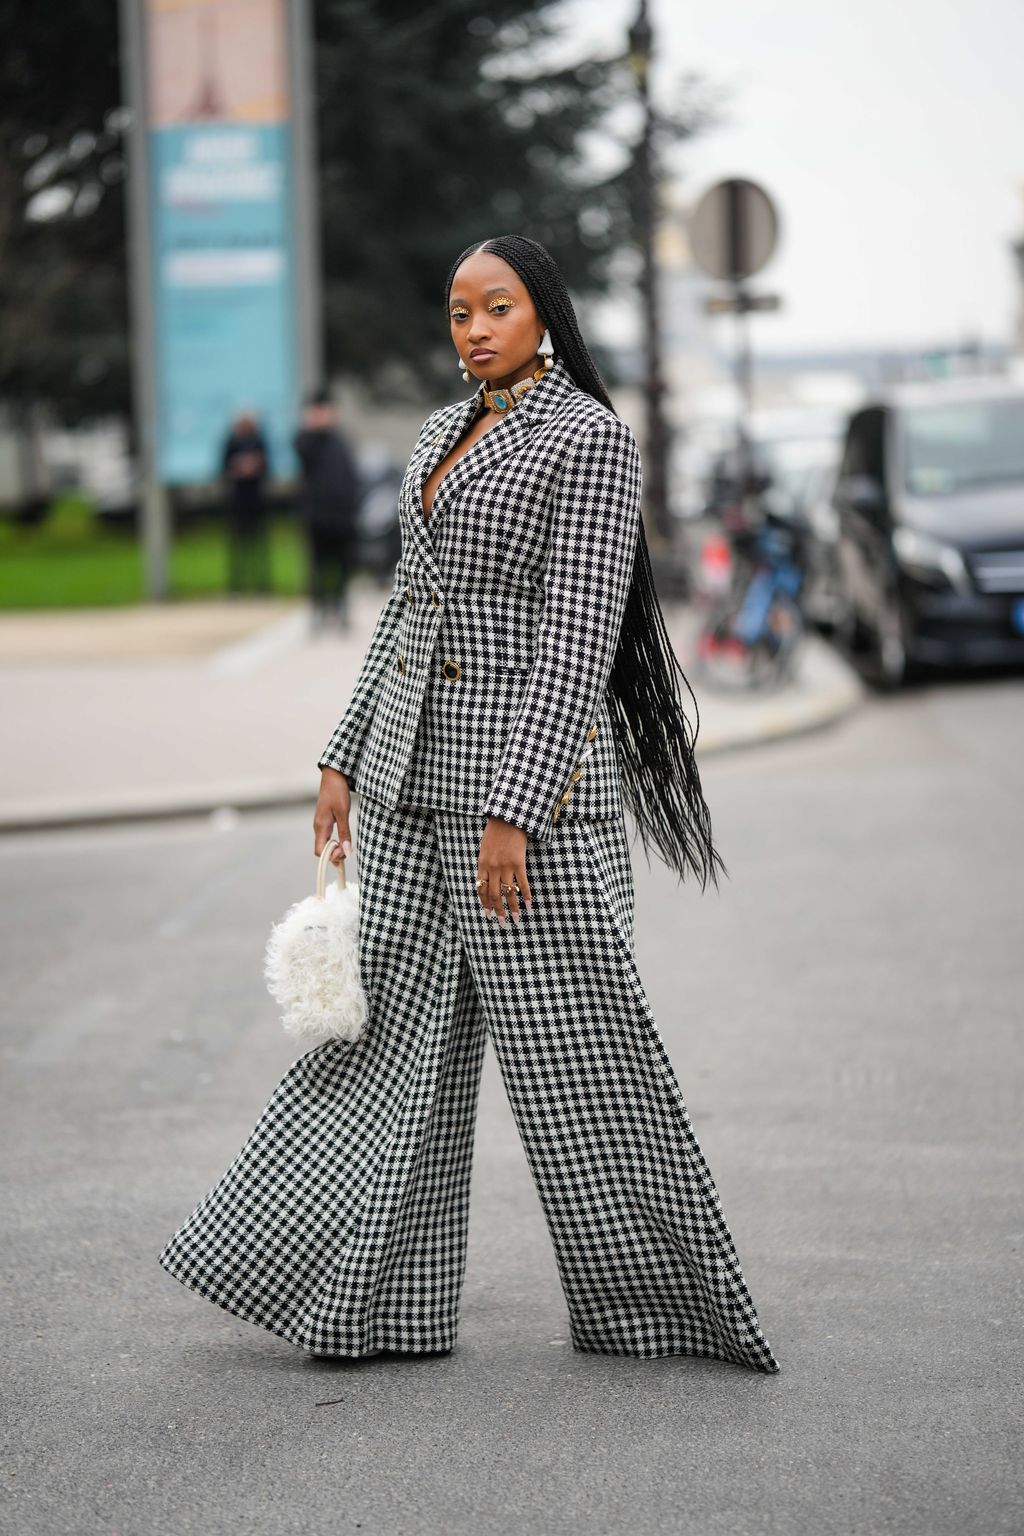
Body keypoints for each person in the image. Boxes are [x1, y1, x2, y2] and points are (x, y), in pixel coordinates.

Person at [157, 235, 781, 1375]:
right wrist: (342, 756)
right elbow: (405, 612)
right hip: (404, 790)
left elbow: (578, 637)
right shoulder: (441, 437)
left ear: (544, 313)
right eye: (458, 312)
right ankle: (364, 1302)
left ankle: (663, 1310)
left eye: (498, 307)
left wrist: (517, 807)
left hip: (525, 813)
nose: (476, 328)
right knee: (382, 1045)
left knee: (582, 1064)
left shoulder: (589, 442)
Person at [294, 388, 362, 633]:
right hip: (317, 516)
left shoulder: (340, 440)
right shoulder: (306, 439)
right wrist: (313, 427)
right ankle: (318, 609)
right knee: (317, 565)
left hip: (342, 515)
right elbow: (303, 454)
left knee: (343, 564)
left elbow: (350, 475)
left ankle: (341, 606)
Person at [221, 410, 271, 595]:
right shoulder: (231, 442)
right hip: (237, 500)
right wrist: (238, 468)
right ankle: (237, 585)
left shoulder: (259, 441)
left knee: (259, 545)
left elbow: (267, 465)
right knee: (237, 546)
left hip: (256, 499)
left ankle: (262, 584)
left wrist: (255, 466)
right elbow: (223, 467)